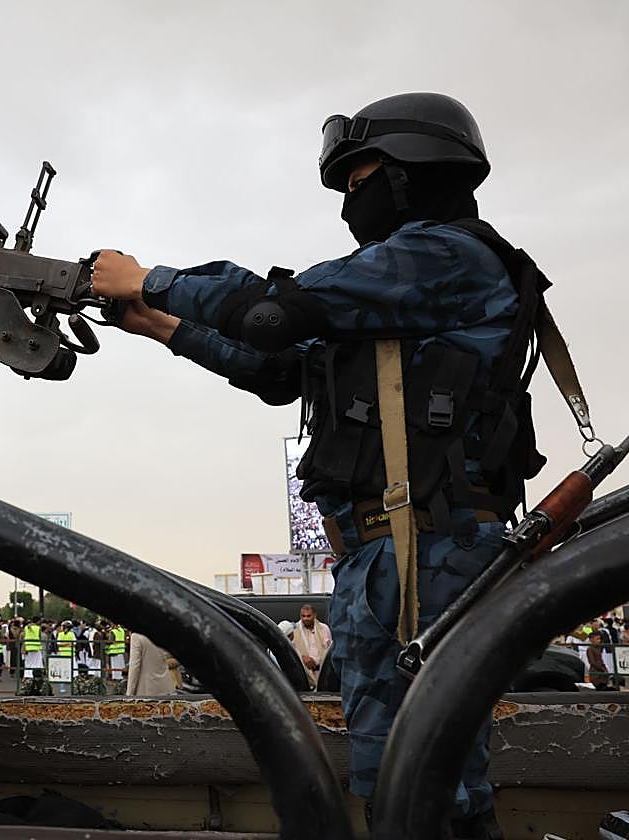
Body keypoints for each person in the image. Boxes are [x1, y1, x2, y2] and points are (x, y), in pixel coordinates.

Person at [91, 92, 550, 838]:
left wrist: (148, 278)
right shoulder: (400, 303)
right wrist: (161, 325)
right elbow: (279, 366)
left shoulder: (442, 256)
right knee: (393, 771)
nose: (348, 200)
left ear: (411, 171)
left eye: (357, 178)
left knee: (431, 779)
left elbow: (274, 312)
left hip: (428, 551)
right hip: (390, 556)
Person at [292, 604, 333, 690]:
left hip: (321, 673)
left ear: (314, 615)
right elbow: (292, 650)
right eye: (303, 616)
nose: (305, 618)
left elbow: (329, 650)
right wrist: (302, 657)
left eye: (308, 616)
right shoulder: (295, 630)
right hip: (305, 674)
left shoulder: (324, 628)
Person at [126, 631, 177, 696]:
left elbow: (134, 666)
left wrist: (129, 693)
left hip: (146, 689)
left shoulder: (137, 636)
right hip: (165, 686)